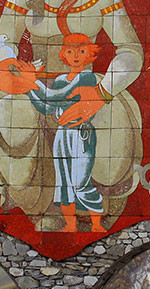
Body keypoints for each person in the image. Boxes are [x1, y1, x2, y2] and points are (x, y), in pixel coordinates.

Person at [0, 0, 143, 231]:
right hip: (35, 83)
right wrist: (9, 69)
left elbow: (131, 51)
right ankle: (36, 204)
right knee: (13, 111)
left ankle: (99, 200)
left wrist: (102, 91)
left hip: (88, 84)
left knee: (110, 117)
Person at [28, 34, 105, 232]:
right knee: (64, 184)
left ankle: (96, 225)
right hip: (63, 135)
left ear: (90, 54)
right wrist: (28, 87)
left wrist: (32, 81)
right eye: (70, 51)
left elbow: (57, 98)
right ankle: (70, 225)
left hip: (81, 134)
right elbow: (46, 107)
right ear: (64, 55)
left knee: (80, 182)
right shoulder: (61, 79)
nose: (76, 56)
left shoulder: (87, 77)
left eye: (81, 51)